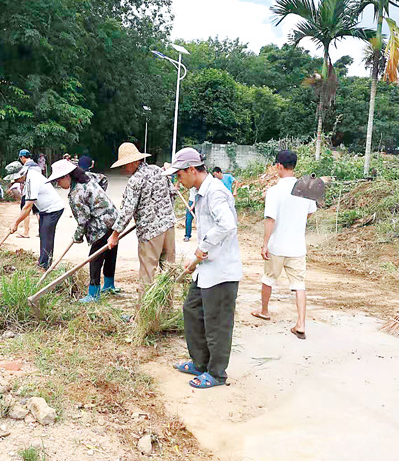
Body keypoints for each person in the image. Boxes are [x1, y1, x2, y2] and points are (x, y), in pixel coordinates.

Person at [163, 148, 242, 389]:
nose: (179, 180)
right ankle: (200, 362)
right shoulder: (200, 192)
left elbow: (227, 224)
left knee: (216, 323)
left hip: (221, 270)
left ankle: (216, 373)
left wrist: (202, 248)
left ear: (191, 169)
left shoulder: (216, 192)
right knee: (192, 310)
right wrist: (197, 259)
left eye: (179, 175)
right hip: (206, 268)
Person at [254, 150, 316, 340]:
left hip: (277, 246)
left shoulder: (274, 191)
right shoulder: (305, 189)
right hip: (297, 247)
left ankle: (264, 310)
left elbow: (270, 219)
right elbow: (311, 212)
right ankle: (301, 323)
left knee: (268, 278)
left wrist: (265, 244)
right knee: (299, 284)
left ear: (279, 166)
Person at [107, 142, 176, 296]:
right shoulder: (158, 170)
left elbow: (127, 210)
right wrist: (165, 214)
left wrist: (114, 235)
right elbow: (173, 193)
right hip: (169, 227)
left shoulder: (135, 181)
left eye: (125, 165)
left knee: (147, 273)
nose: (125, 169)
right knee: (168, 272)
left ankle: (144, 315)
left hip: (150, 233)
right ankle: (165, 311)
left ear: (133, 162)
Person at [47, 159, 119, 303]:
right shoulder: (88, 177)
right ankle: (109, 284)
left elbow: (83, 221)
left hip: (100, 225)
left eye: (58, 181)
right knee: (110, 251)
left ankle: (93, 294)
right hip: (113, 218)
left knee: (94, 258)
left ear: (67, 176)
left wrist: (77, 237)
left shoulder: (76, 194)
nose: (58, 185)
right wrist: (98, 199)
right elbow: (103, 179)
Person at [10, 165, 65, 270]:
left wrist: (16, 223)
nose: (16, 181)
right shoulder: (29, 177)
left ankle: (45, 265)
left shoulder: (32, 180)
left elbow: (27, 207)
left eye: (16, 178)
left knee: (46, 234)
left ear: (21, 174)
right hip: (44, 209)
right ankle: (43, 261)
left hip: (53, 209)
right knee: (43, 233)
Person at [16, 149, 42, 238]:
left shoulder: (26, 167)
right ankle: (41, 231)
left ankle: (26, 232)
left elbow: (23, 179)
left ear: (22, 157)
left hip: (28, 192)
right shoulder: (37, 166)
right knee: (37, 212)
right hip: (37, 192)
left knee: (25, 210)